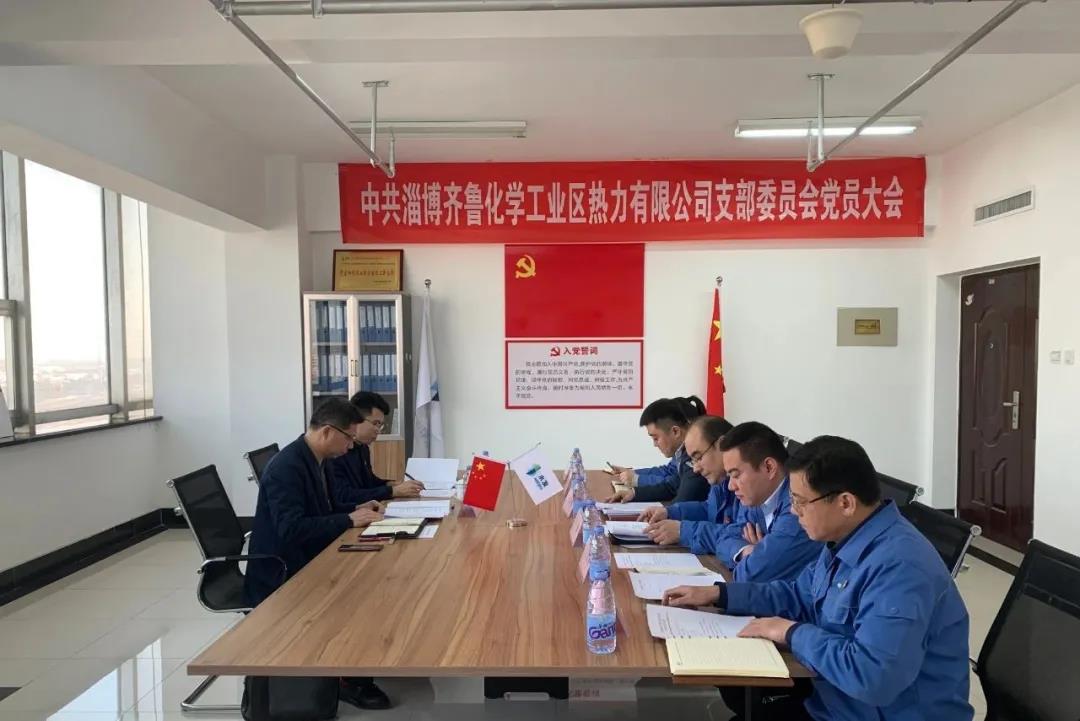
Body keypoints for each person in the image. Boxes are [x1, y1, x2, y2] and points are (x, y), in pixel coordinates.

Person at [663, 436, 973, 721]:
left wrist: (791, 632)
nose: (793, 512)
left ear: (845, 503)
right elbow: (799, 594)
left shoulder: (900, 567)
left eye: (801, 501)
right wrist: (721, 594)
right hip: (835, 703)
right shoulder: (845, 539)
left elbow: (873, 677)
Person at [244, 398, 394, 711]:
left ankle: (354, 668)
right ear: (327, 431)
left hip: (308, 554)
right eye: (348, 438)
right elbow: (291, 529)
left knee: (377, 575)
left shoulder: (314, 457)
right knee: (362, 591)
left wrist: (356, 508)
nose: (351, 446)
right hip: (283, 570)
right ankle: (348, 679)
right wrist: (348, 520)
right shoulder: (287, 467)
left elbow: (324, 508)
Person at [645, 420, 820, 583]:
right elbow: (727, 536)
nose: (730, 486)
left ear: (768, 467)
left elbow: (752, 573)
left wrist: (757, 556)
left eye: (736, 475)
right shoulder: (757, 498)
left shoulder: (797, 510)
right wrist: (745, 551)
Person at [326, 391, 424, 508]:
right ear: (356, 419)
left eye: (380, 425)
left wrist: (390, 484)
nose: (378, 430)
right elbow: (344, 495)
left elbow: (369, 482)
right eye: (375, 423)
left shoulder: (362, 447)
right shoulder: (336, 450)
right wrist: (392, 491)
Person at [606, 397, 710, 504]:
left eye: (656, 438)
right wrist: (634, 493)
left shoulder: (693, 458)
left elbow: (682, 500)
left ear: (675, 431)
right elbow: (672, 485)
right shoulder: (682, 453)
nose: (655, 444)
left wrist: (636, 479)